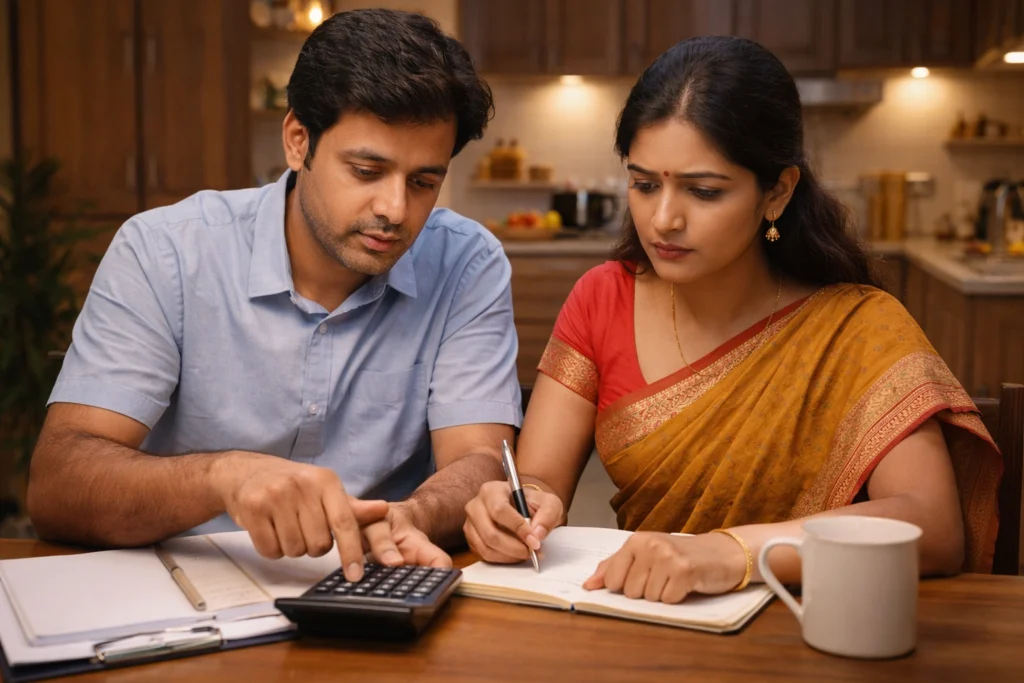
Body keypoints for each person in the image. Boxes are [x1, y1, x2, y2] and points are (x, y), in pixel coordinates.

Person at [463, 35, 1002, 604]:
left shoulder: (857, 327)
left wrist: (731, 553)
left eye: (703, 191)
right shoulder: (602, 299)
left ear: (777, 193)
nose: (663, 219)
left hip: (808, 622)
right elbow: (539, 480)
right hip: (647, 617)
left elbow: (931, 525)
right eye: (643, 185)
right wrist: (518, 508)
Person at [28, 9, 521, 583]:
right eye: (366, 171)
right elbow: (58, 485)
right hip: (181, 587)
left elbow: (479, 462)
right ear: (297, 140)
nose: (395, 209)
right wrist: (224, 477)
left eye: (423, 182)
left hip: (375, 582)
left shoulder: (466, 264)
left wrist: (413, 515)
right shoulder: (165, 252)